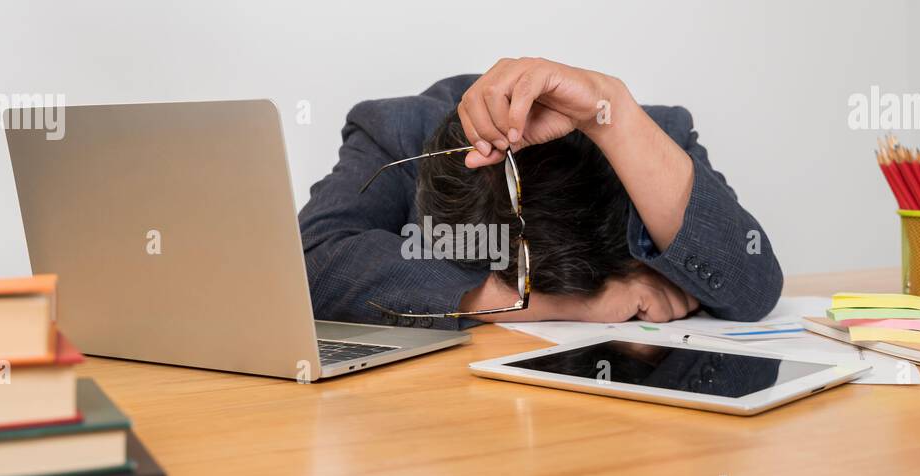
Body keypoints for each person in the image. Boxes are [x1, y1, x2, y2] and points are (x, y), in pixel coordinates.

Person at [298, 58, 782, 331]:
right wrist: (554, 304)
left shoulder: (650, 138)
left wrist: (613, 115)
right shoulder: (395, 132)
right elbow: (308, 265)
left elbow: (754, 288)